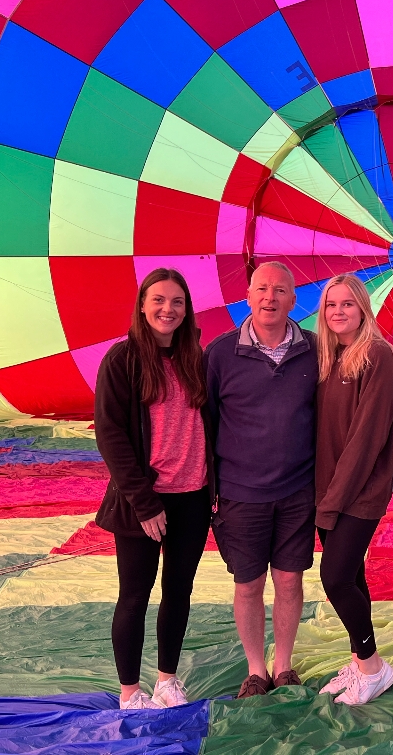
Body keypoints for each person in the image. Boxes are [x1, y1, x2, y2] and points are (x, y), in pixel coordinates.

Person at [95, 268, 213, 710]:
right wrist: (144, 504)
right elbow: (111, 435)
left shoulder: (195, 359)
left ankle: (167, 679)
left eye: (177, 302)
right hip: (144, 503)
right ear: (142, 306)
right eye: (159, 300)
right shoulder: (122, 360)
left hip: (193, 497)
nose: (168, 309)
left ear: (187, 310)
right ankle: (130, 691)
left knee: (178, 591)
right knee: (135, 594)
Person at [205, 261, 318, 698]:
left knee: (290, 579)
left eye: (280, 290)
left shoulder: (315, 349)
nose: (270, 298)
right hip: (240, 492)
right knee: (248, 582)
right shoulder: (220, 353)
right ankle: (256, 669)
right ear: (248, 296)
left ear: (294, 299)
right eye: (262, 289)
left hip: (297, 490)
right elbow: (207, 421)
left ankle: (284, 664)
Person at [312, 275, 393, 705]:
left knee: (335, 576)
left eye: (348, 304)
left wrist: (332, 502)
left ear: (364, 308)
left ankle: (373, 665)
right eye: (331, 304)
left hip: (357, 492)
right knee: (354, 576)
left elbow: (366, 438)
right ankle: (358, 658)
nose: (339, 311)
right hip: (327, 489)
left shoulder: (377, 356)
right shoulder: (329, 358)